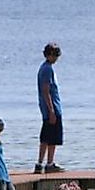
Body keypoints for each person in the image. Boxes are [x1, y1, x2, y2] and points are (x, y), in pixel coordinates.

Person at [35, 42, 65, 174]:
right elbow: (46, 90)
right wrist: (52, 110)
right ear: (50, 55)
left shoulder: (44, 67)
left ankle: (40, 163)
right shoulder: (47, 69)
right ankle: (49, 163)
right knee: (51, 139)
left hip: (47, 109)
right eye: (56, 55)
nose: (57, 58)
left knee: (46, 138)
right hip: (52, 109)